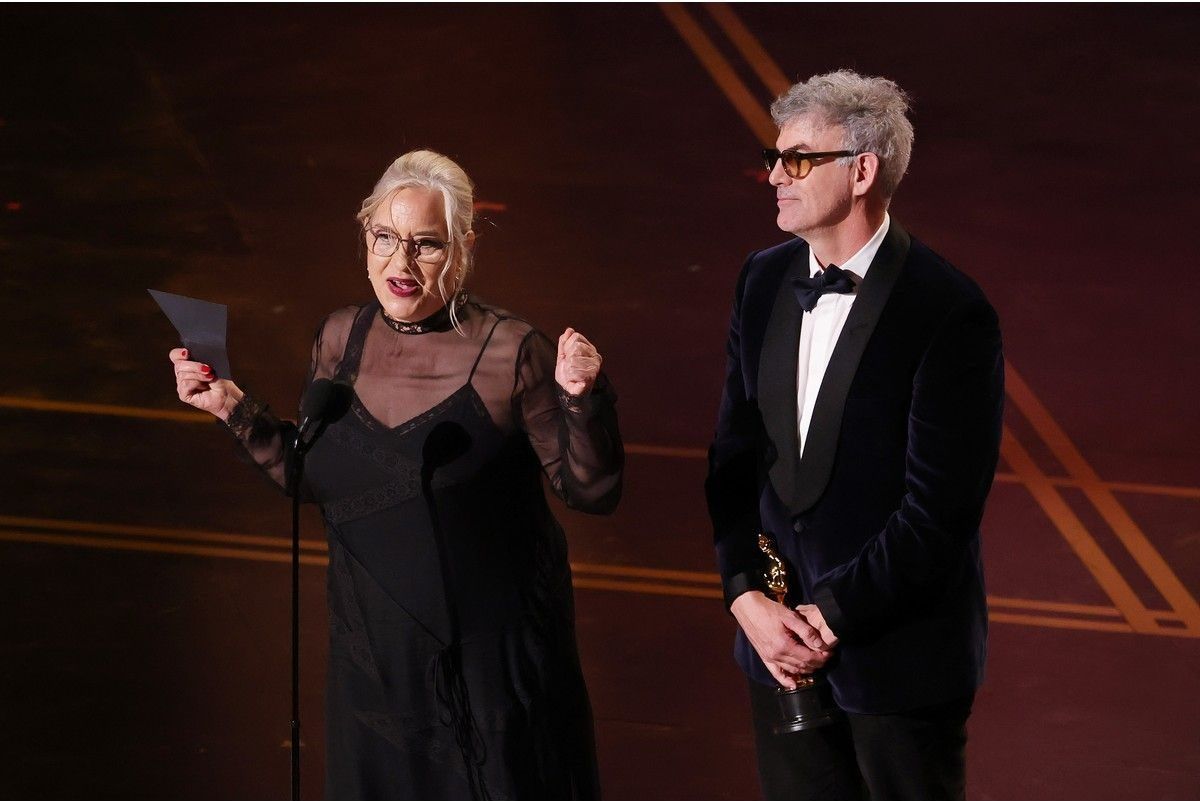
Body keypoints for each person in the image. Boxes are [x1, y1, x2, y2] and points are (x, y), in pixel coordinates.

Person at [169, 149, 622, 801]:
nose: (400, 265)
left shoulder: (512, 354)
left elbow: (592, 488)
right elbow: (317, 475)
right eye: (384, 237)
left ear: (462, 248)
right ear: (365, 235)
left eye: (426, 245)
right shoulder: (340, 339)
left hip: (490, 678)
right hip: (373, 670)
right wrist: (234, 410)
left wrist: (582, 396)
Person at [706, 70, 1004, 801]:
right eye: (775, 156)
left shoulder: (948, 310)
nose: (775, 174)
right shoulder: (762, 279)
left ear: (862, 170)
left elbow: (938, 516)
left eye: (799, 159)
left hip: (898, 668)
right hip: (775, 653)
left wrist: (825, 618)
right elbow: (731, 460)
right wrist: (745, 595)